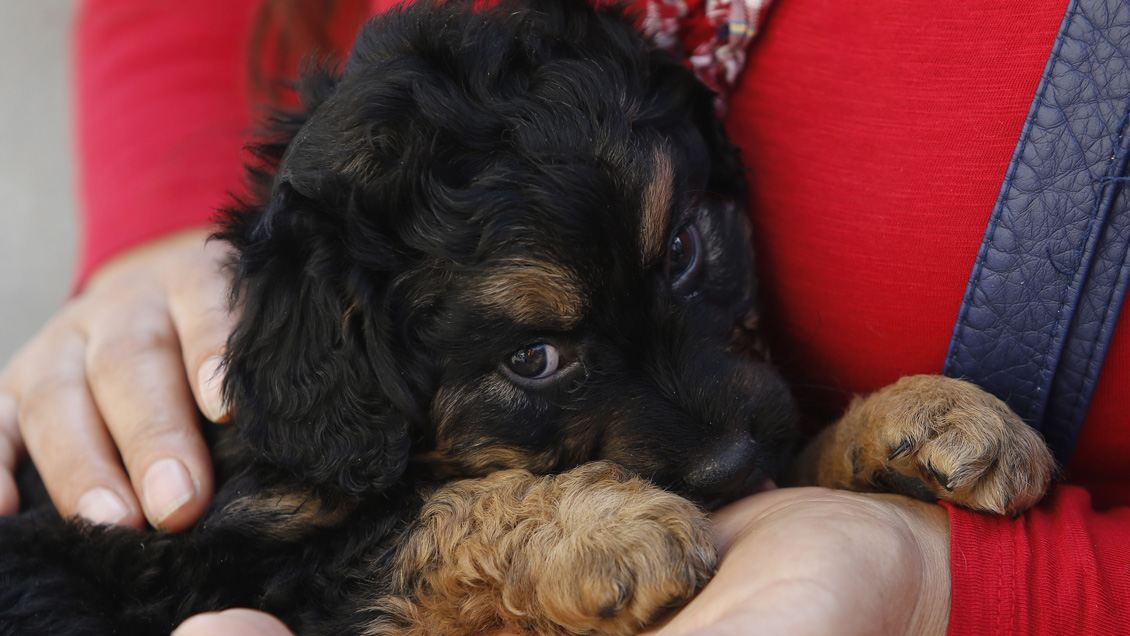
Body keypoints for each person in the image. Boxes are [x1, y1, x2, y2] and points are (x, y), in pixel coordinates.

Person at [1, 0, 1127, 634]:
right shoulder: (324, 354)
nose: (723, 432)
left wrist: (936, 578)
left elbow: (733, 489)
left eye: (684, 253)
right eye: (538, 356)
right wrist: (173, 239)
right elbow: (316, 560)